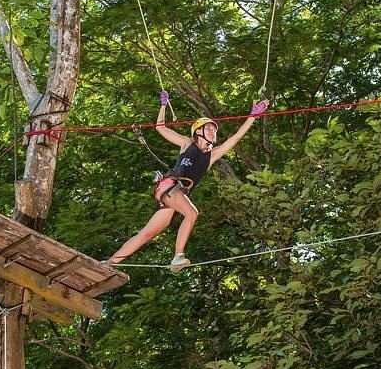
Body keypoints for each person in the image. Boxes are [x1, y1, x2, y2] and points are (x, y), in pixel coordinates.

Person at [105, 90, 270, 272]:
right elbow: (161, 127)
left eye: (214, 130)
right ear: (197, 131)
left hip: (176, 194)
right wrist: (162, 106)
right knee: (191, 213)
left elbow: (236, 138)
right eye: (208, 128)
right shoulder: (187, 143)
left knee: (147, 234)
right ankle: (178, 256)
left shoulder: (212, 156)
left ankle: (109, 263)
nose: (212, 131)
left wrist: (253, 117)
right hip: (170, 186)